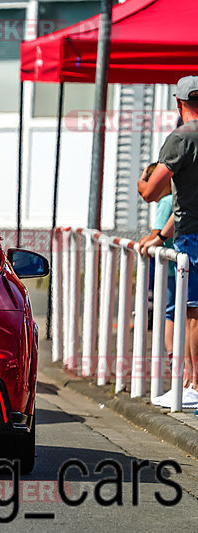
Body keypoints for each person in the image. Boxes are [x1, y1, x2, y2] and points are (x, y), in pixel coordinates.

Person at [139, 75, 198, 405]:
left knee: (193, 313)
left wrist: (143, 183)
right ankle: (189, 384)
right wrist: (161, 235)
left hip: (194, 239)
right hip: (185, 229)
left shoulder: (182, 138)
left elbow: (152, 191)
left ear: (178, 103)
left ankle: (194, 387)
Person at [137, 163, 187, 383]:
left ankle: (177, 369)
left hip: (173, 270)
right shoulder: (174, 198)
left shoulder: (167, 202)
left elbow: (158, 234)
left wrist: (146, 241)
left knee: (171, 314)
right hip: (177, 267)